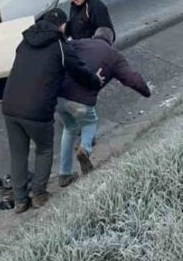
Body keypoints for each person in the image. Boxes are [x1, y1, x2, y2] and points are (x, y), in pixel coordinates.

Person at [2, 8, 103, 213]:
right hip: (37, 110)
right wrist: (96, 81)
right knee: (44, 149)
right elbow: (79, 72)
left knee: (18, 154)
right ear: (62, 26)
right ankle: (39, 194)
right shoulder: (60, 46)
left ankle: (21, 200)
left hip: (10, 106)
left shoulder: (24, 42)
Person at [56, 26, 151, 187]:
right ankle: (85, 148)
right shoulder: (113, 56)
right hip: (82, 99)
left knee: (69, 128)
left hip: (60, 95)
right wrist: (146, 91)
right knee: (90, 123)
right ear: (111, 41)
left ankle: (64, 174)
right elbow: (131, 78)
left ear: (94, 35)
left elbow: (61, 50)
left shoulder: (80, 42)